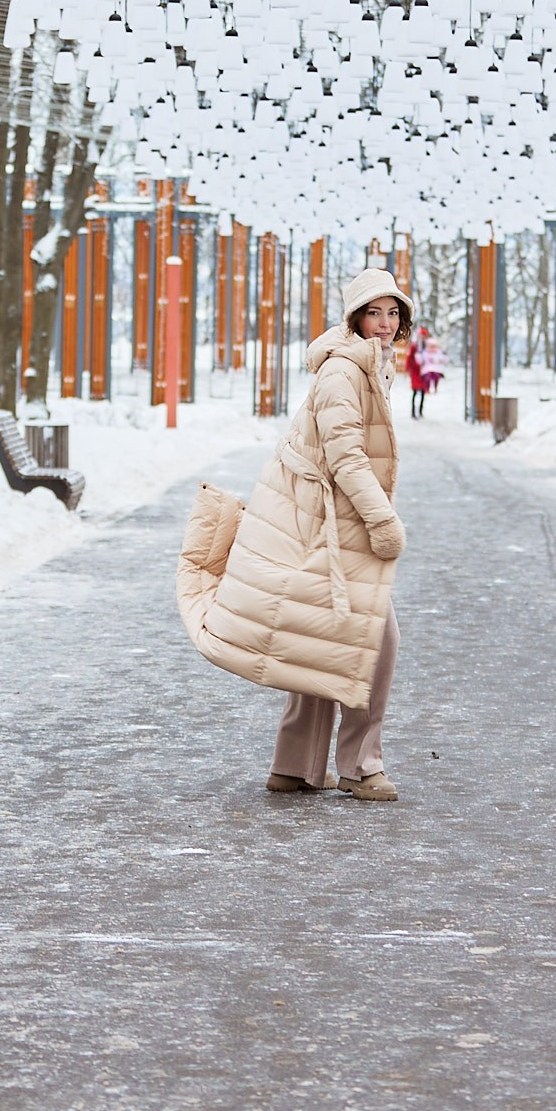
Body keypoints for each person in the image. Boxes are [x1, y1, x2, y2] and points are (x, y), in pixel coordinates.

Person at [173, 269, 410, 801]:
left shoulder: (368, 364)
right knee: (375, 638)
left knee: (321, 637)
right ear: (355, 318)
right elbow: (346, 458)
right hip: (330, 524)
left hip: (327, 522)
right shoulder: (343, 371)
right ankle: (361, 766)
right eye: (374, 313)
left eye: (393, 313)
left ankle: (295, 765)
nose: (385, 323)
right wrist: (381, 520)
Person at [404, 325, 447, 419]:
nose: (423, 338)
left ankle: (420, 411)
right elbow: (409, 358)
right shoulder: (414, 346)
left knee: (423, 392)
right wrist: (408, 370)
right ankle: (413, 412)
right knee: (415, 392)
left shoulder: (428, 346)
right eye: (422, 336)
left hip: (424, 371)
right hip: (416, 372)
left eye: (424, 336)